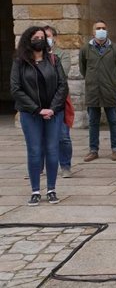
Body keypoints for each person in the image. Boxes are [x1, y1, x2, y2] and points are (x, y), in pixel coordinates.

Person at [11, 26, 68, 206]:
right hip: (31, 114)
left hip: (54, 112)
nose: (40, 40)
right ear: (28, 40)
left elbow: (62, 85)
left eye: (42, 37)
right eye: (36, 37)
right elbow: (16, 89)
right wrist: (37, 109)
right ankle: (35, 190)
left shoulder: (53, 59)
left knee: (52, 149)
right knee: (34, 150)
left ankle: (51, 189)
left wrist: (52, 108)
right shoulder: (20, 62)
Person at [79, 20, 116, 162]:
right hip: (93, 90)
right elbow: (83, 69)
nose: (101, 30)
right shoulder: (85, 49)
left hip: (109, 90)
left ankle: (115, 149)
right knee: (93, 122)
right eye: (98, 28)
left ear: (107, 30)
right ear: (93, 32)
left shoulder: (115, 49)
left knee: (113, 121)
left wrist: (111, 82)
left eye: (103, 28)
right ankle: (93, 150)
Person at [44, 26, 73, 178]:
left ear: (54, 38)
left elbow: (62, 74)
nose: (45, 39)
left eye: (48, 36)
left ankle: (66, 166)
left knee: (63, 136)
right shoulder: (34, 55)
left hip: (59, 100)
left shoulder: (63, 55)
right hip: (41, 102)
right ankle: (39, 166)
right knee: (40, 136)